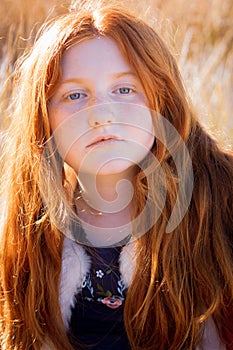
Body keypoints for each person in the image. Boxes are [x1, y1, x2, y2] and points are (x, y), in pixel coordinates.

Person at [0, 5, 233, 350]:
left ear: (161, 99)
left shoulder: (222, 198)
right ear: (44, 120)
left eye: (124, 90)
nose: (101, 115)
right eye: (75, 95)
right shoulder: (27, 224)